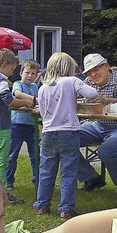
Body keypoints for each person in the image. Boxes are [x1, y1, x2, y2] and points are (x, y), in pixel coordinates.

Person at [34, 52, 98, 220]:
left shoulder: (43, 87)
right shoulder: (72, 81)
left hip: (48, 132)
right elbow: (92, 93)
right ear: (68, 67)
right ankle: (67, 208)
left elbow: (42, 112)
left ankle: (42, 205)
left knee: (46, 170)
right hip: (68, 131)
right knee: (69, 171)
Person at [0, 48, 36, 205]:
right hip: (1, 125)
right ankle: (1, 194)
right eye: (12, 69)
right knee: (1, 159)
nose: (12, 73)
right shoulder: (1, 81)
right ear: (5, 64)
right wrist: (27, 102)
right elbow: (9, 101)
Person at [77, 53, 117, 197]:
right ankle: (91, 178)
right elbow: (78, 96)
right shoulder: (88, 81)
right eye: (90, 72)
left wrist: (105, 100)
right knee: (65, 140)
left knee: (105, 150)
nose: (93, 74)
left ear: (106, 65)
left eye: (96, 69)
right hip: (98, 125)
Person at [6, 59, 41, 192]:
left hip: (32, 125)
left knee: (35, 155)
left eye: (33, 73)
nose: (30, 76)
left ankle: (37, 180)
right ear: (21, 73)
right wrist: (33, 99)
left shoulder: (35, 87)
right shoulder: (17, 84)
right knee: (12, 155)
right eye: (27, 72)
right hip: (17, 125)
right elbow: (17, 94)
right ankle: (9, 180)